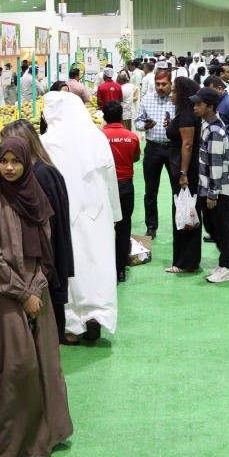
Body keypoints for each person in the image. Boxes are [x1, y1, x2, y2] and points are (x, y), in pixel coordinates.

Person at [0, 137, 73, 457]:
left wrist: (35, 288)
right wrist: (21, 293)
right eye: (4, 161)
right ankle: (2, 443)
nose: (9, 167)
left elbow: (46, 248)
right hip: (3, 292)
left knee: (46, 362)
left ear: (26, 163)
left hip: (36, 288)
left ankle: (44, 434)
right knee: (17, 366)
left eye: (15, 161)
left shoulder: (35, 196)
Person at [41, 91, 119, 344]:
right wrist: (114, 213)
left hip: (62, 214)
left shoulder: (46, 142)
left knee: (70, 266)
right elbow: (111, 178)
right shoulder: (98, 137)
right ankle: (97, 314)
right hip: (97, 212)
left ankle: (72, 325)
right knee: (97, 261)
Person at [0, 120, 75, 343]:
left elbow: (41, 224)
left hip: (42, 264)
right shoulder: (43, 170)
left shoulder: (40, 175)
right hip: (47, 261)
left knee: (44, 329)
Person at [190, 88, 229, 283]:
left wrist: (212, 193)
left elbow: (216, 164)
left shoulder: (214, 131)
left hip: (218, 189)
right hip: (210, 186)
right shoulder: (208, 125)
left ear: (210, 107)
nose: (195, 107)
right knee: (212, 225)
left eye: (199, 104)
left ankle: (226, 267)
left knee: (220, 227)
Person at [163, 77, 203, 274]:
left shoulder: (187, 114)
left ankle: (184, 261)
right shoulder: (185, 113)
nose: (171, 95)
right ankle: (188, 260)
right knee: (186, 210)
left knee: (184, 211)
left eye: (174, 91)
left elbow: (187, 144)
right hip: (182, 168)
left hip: (184, 170)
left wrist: (183, 173)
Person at [132, 63, 174, 238]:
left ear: (171, 83)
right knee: (150, 191)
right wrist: (145, 125)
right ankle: (151, 226)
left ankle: (179, 225)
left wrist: (173, 125)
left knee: (177, 190)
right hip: (153, 149)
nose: (160, 87)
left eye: (164, 84)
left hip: (173, 149)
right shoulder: (147, 99)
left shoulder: (176, 100)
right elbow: (137, 122)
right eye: (158, 84)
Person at [100, 101, 139, 283]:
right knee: (123, 227)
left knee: (103, 226)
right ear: (122, 116)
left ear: (104, 116)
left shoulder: (98, 137)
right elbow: (135, 157)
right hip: (125, 185)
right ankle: (120, 269)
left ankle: (104, 267)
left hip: (104, 186)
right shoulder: (131, 137)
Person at [203, 76, 229, 242]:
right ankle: (221, 232)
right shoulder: (219, 104)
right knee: (219, 195)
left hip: (228, 156)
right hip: (218, 154)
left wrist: (227, 149)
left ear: (219, 89)